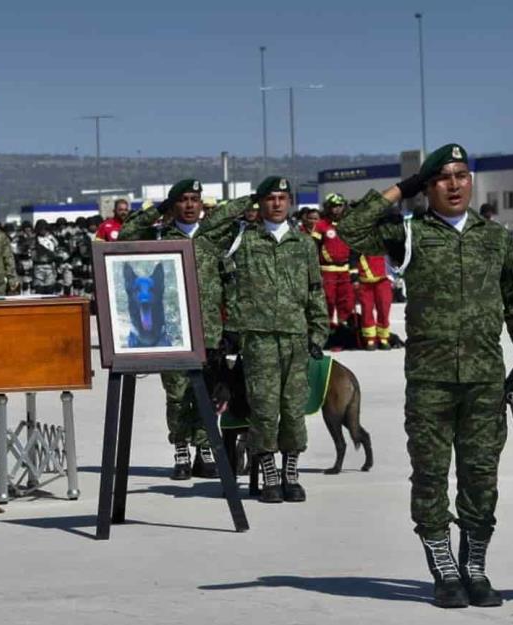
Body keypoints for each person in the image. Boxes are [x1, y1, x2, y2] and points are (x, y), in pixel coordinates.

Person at [337, 143, 513, 608]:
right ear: (428, 187)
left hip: (485, 381)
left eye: (462, 175)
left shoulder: (496, 239)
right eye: (443, 178)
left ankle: (474, 567)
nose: (455, 185)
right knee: (429, 477)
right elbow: (349, 229)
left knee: (480, 478)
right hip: (429, 383)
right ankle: (443, 569)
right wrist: (400, 189)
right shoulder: (408, 235)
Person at [197, 177, 328, 502]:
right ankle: (269, 473)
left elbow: (315, 290)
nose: (277, 204)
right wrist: (248, 199)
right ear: (261, 203)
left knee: (293, 409)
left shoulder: (304, 244)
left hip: (296, 338)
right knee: (264, 410)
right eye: (270, 198)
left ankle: (291, 472)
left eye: (283, 197)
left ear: (290, 202)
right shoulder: (244, 240)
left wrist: (319, 330)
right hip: (257, 341)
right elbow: (207, 231)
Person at [119, 179, 218, 479]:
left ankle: (204, 449)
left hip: (208, 331)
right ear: (173, 205)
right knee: (176, 395)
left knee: (207, 393)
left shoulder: (213, 238)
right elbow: (126, 235)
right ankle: (181, 450)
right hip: (173, 331)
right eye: (183, 200)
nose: (190, 205)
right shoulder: (160, 238)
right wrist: (156, 211)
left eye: (195, 199)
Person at [313, 194, 356, 337]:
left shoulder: (349, 224)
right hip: (327, 270)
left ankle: (344, 330)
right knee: (329, 300)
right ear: (328, 207)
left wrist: (354, 269)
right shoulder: (321, 225)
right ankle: (328, 329)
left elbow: (355, 249)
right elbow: (314, 248)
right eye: (333, 206)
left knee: (347, 301)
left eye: (339, 206)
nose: (336, 209)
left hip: (345, 270)